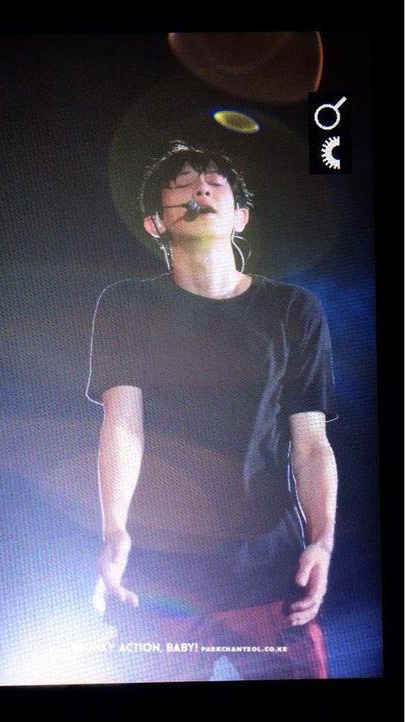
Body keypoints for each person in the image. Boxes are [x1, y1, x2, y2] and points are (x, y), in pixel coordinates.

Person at [86, 141, 338, 682]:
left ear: (240, 217)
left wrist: (322, 540)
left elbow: (311, 443)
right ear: (156, 224)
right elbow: (123, 426)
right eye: (181, 184)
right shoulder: (126, 304)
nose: (200, 188)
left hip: (269, 568)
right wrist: (114, 532)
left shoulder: (293, 309)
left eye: (214, 182)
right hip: (160, 574)